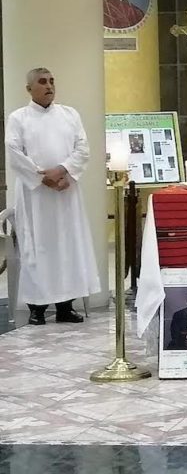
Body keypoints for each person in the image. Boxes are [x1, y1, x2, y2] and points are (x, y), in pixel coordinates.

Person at [5, 68, 100, 325]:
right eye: (42, 82)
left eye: (51, 81)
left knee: (67, 246)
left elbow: (82, 148)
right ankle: (37, 308)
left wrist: (63, 170)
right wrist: (42, 178)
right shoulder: (18, 118)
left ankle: (65, 306)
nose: (49, 86)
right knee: (38, 247)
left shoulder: (70, 114)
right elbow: (14, 152)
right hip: (35, 195)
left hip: (65, 191)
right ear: (29, 89)